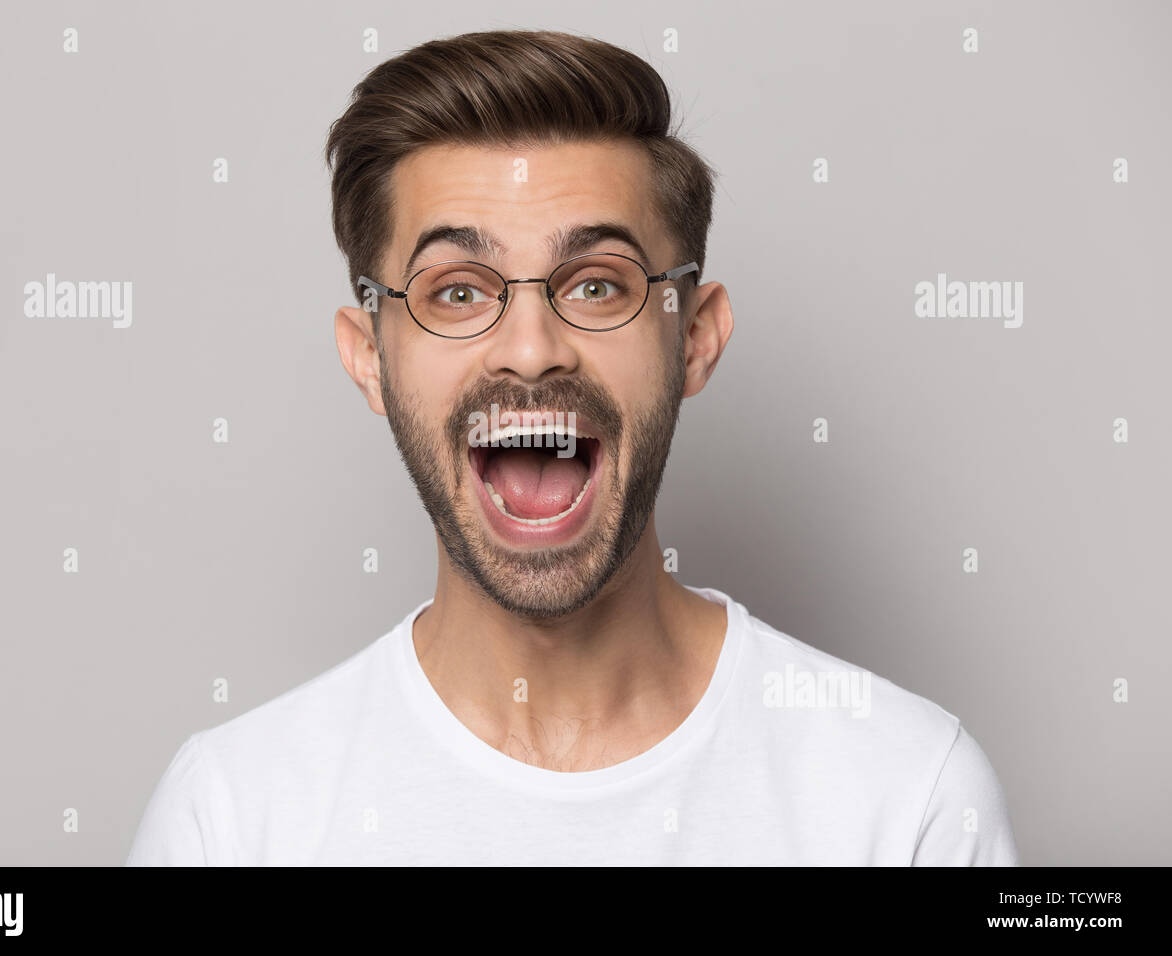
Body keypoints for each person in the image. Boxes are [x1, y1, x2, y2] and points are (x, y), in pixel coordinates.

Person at [127, 29, 1018, 865]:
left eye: (596, 285)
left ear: (696, 337)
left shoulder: (907, 798)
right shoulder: (233, 820)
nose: (530, 347)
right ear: (370, 360)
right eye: (457, 292)